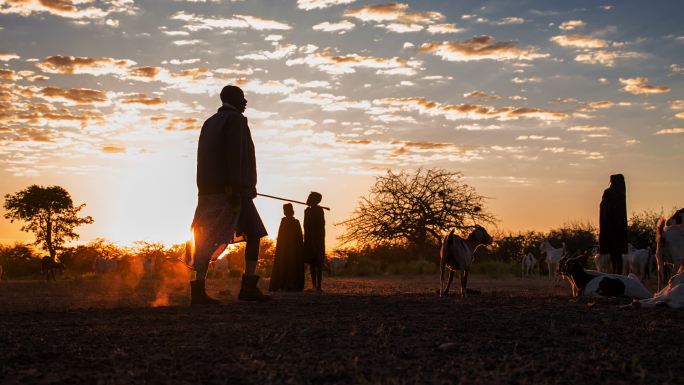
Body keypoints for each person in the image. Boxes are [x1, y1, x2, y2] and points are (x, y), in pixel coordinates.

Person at [189, 85, 270, 304]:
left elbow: (202, 161)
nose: (245, 102)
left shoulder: (209, 123)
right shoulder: (237, 121)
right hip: (233, 191)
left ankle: (197, 291)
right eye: (242, 98)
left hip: (207, 192)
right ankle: (248, 287)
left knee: (204, 237)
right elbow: (236, 156)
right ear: (233, 99)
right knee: (254, 232)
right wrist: (237, 187)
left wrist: (205, 189)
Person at [269, 203, 305, 292]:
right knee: (284, 265)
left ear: (292, 211)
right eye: (285, 210)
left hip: (293, 250)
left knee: (292, 266)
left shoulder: (295, 222)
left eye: (287, 210)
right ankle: (284, 284)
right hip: (284, 250)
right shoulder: (284, 222)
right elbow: (281, 238)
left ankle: (291, 285)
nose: (286, 212)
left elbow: (299, 238)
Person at [599, 174, 628, 275]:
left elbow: (605, 208)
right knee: (616, 254)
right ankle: (617, 272)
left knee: (614, 253)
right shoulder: (621, 194)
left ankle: (617, 273)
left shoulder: (609, 193)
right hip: (618, 229)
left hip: (610, 228)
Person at [304, 192, 325, 292]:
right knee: (312, 263)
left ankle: (319, 286)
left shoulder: (319, 210)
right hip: (309, 238)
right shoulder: (307, 211)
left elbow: (321, 225)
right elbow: (306, 226)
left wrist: (316, 240)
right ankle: (314, 286)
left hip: (318, 238)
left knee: (318, 263)